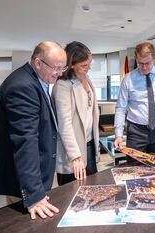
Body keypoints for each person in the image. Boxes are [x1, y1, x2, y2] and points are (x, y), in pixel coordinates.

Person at [0, 41, 67, 220]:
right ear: (38, 63)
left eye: (63, 68)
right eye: (56, 68)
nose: (60, 73)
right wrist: (34, 195)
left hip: (37, 173)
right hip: (23, 179)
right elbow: (25, 141)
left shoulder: (37, 79)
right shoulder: (22, 86)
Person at [114, 42, 155, 162]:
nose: (144, 67)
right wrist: (118, 135)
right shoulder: (128, 79)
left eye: (147, 63)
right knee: (133, 168)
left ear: (154, 58)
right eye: (140, 63)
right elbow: (120, 108)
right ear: (136, 59)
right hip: (136, 131)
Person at [52, 41, 99, 185]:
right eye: (84, 66)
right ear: (72, 64)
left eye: (89, 63)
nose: (88, 68)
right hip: (73, 150)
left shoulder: (86, 78)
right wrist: (75, 156)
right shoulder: (62, 86)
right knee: (74, 192)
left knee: (93, 187)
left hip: (89, 143)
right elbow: (64, 124)